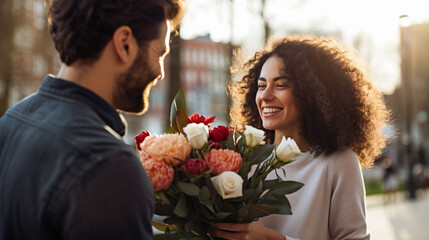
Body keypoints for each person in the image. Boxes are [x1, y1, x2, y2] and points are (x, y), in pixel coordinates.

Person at [0, 0, 184, 239]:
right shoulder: (108, 166)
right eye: (159, 53)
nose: (161, 72)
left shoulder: (10, 122)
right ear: (124, 43)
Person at [212, 35, 390, 240]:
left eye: (280, 85)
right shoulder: (244, 161)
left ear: (312, 94)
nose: (265, 96)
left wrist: (270, 238)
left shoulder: (338, 163)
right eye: (261, 86)